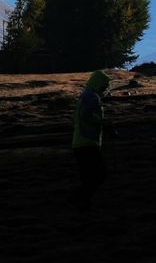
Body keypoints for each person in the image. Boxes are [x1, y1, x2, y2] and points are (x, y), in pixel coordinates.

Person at [69, 70, 112, 212]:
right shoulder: (92, 97)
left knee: (87, 177)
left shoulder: (85, 96)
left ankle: (82, 204)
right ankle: (78, 198)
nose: (106, 88)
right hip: (87, 142)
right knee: (100, 174)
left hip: (79, 142)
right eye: (105, 85)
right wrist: (103, 122)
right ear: (99, 84)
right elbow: (86, 116)